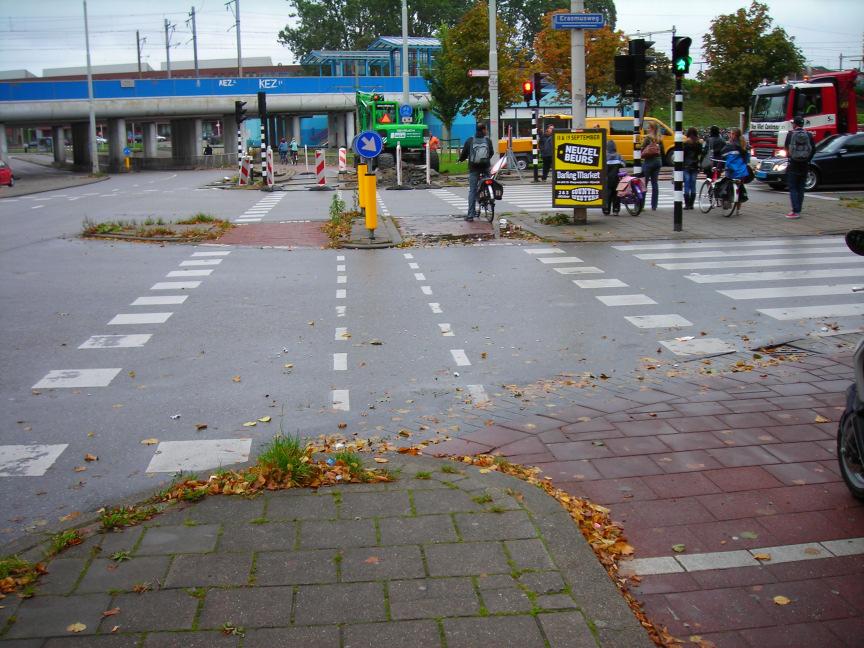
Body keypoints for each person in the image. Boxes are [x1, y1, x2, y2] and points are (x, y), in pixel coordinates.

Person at [458, 123, 493, 221]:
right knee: (488, 181)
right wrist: (486, 160)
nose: (486, 131)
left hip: (474, 168)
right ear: (483, 130)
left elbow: (464, 154)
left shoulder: (470, 140)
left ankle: (470, 215)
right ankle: (489, 197)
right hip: (485, 167)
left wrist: (460, 159)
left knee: (472, 190)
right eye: (486, 129)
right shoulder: (487, 140)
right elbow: (492, 152)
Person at [783, 115, 815, 219]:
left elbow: (786, 148)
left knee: (793, 187)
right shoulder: (809, 134)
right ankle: (798, 210)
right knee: (801, 187)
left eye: (793, 123)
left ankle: (795, 211)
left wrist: (791, 156)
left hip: (793, 164)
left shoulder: (790, 134)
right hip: (805, 164)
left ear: (795, 124)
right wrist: (807, 159)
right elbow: (813, 149)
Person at [720, 127, 751, 207]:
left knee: (726, 184)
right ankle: (738, 208)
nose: (729, 135)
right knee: (739, 187)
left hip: (732, 170)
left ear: (733, 135)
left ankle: (727, 201)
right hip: (742, 171)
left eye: (731, 133)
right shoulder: (744, 145)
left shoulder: (730, 145)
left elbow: (722, 154)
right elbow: (747, 159)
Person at [640, 134, 662, 211]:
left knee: (644, 184)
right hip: (658, 162)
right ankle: (654, 206)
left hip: (648, 163)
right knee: (655, 183)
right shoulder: (657, 142)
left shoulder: (646, 140)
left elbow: (641, 151)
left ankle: (641, 205)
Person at [603, 140, 625, 215]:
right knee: (616, 194)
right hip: (616, 178)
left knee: (607, 194)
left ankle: (606, 209)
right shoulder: (618, 155)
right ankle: (616, 210)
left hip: (607, 179)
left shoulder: (605, 156)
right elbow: (623, 164)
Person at [682, 127, 701, 209]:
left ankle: (687, 204)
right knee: (693, 184)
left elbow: (683, 155)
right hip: (695, 165)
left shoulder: (686, 143)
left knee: (686, 183)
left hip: (686, 165)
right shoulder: (698, 143)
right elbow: (700, 154)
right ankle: (691, 204)